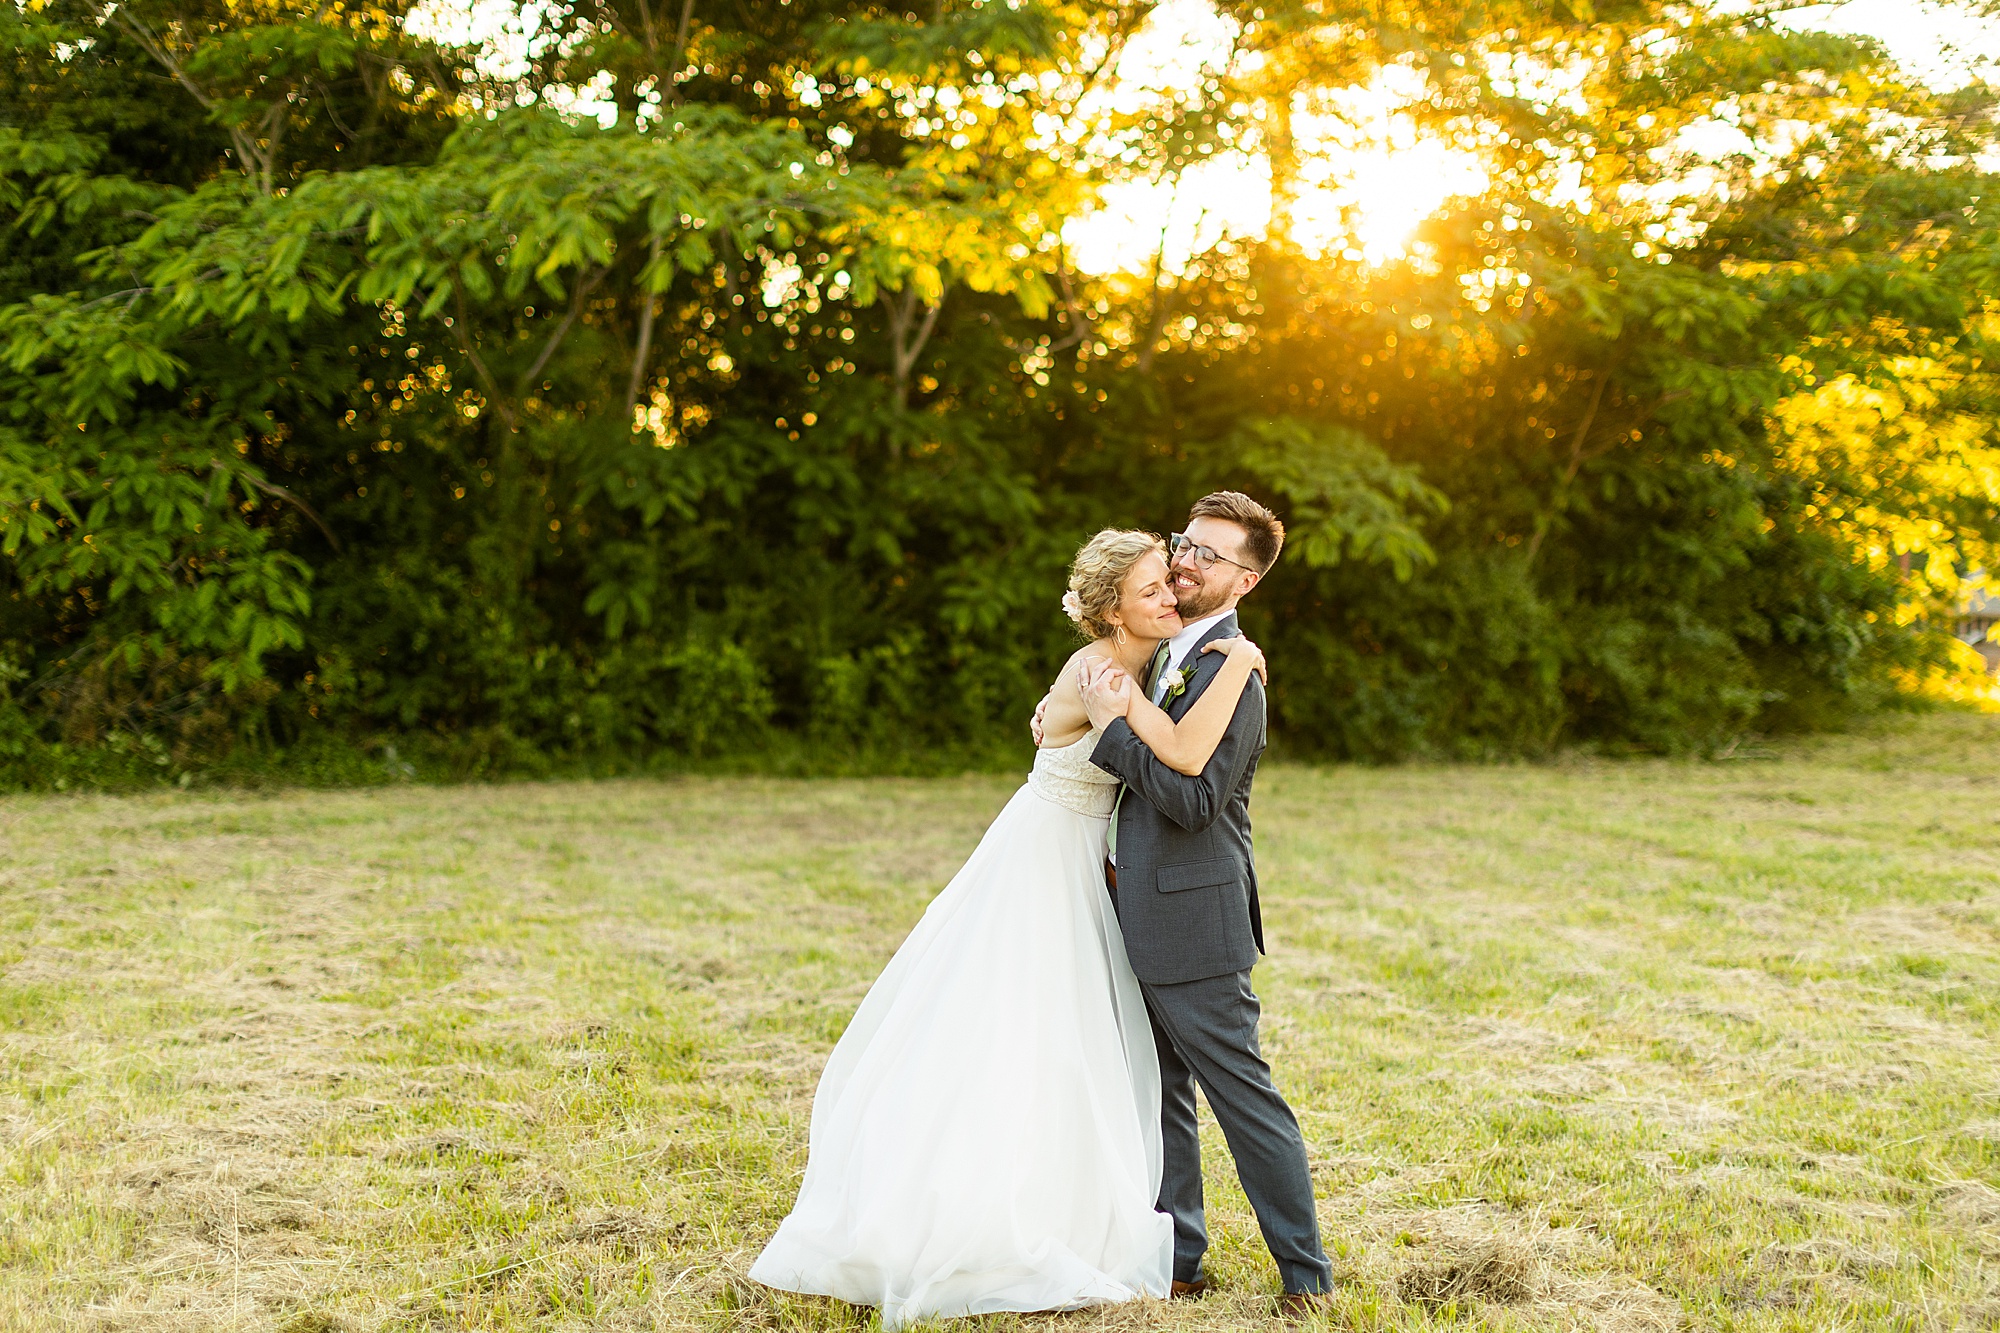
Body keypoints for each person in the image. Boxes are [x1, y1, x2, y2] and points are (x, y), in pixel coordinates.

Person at [749, 528, 1269, 1329]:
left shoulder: (1148, 660)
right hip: (1043, 861)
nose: (1171, 595)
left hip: (1082, 862)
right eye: (1152, 591)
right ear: (1110, 610)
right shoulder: (1104, 670)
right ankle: (985, 1213)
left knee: (1072, 1040)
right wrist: (1239, 661)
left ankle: (1074, 1200)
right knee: (1017, 1032)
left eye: (1170, 583)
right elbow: (1169, 752)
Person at [1041, 490, 1335, 1315]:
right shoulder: (1168, 652)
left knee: (1243, 1098)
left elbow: (1195, 801)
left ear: (1244, 582)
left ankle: (1306, 1278)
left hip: (1194, 914)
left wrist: (1110, 734)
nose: (1185, 560)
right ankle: (1180, 1257)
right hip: (1134, 903)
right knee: (1161, 1093)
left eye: (1208, 555)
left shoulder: (1234, 673)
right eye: (1185, 542)